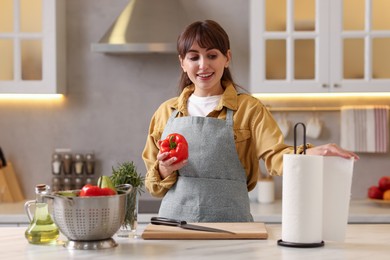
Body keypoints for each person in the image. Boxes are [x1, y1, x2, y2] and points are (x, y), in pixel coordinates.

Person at [142, 20, 359, 223]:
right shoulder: (165, 112)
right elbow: (154, 188)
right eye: (194, 57)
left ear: (227, 58)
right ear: (182, 62)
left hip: (233, 227)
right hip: (175, 228)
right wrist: (164, 169)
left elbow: (276, 156)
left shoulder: (249, 109)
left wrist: (313, 153)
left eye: (212, 55)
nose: (203, 65)